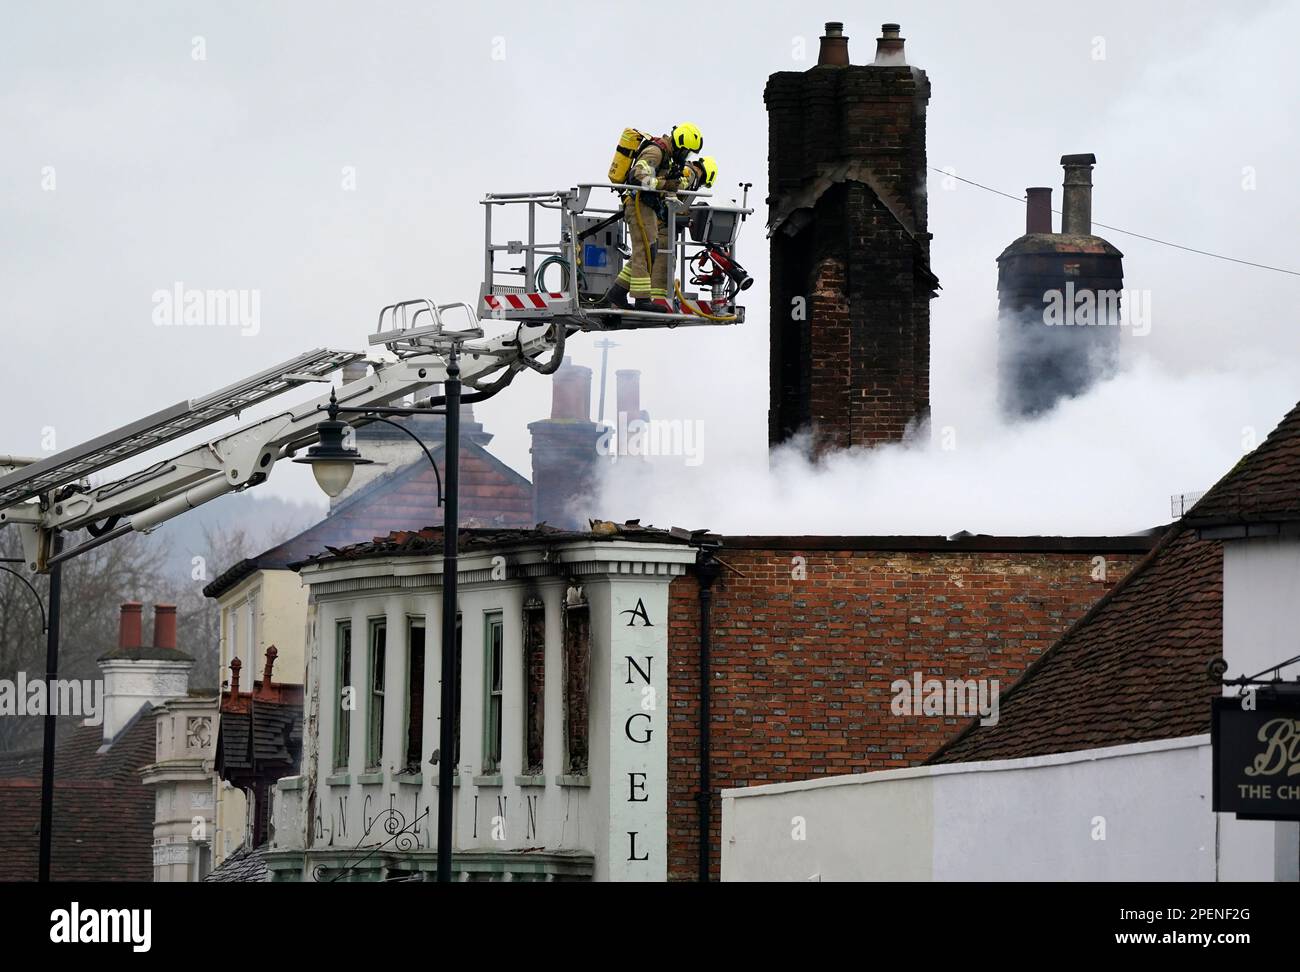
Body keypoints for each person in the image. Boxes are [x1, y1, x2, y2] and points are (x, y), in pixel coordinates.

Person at [597, 124, 704, 313]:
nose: (686, 156)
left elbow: (667, 181)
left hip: (648, 206)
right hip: (638, 204)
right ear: (680, 146)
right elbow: (638, 176)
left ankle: (617, 292)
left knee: (649, 251)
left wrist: (676, 183)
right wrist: (664, 184)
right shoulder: (655, 152)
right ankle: (642, 300)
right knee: (644, 251)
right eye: (686, 152)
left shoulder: (667, 156)